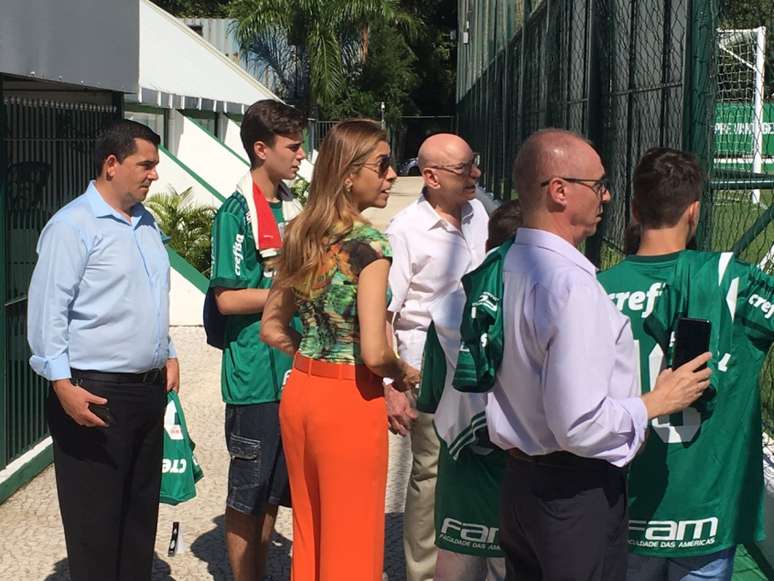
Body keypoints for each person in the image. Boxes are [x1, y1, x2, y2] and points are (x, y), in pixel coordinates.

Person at [488, 128, 712, 580]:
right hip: (573, 493)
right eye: (597, 185)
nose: (606, 196)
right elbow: (579, 425)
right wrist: (656, 402)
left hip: (519, 485)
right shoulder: (571, 287)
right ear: (559, 191)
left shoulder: (502, 265)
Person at [598, 147, 774, 580]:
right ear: (694, 211)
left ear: (635, 210)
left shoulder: (594, 289)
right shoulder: (731, 280)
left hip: (623, 506)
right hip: (704, 513)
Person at [260, 119, 420, 580]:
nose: (391, 175)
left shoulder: (300, 233)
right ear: (349, 175)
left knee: (310, 532)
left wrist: (312, 354)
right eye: (383, 165)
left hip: (303, 394)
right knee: (352, 540)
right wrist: (404, 373)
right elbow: (374, 351)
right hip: (351, 399)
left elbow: (272, 327)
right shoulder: (369, 246)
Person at [27, 119, 179, 581]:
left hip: (147, 394)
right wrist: (62, 386)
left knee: (137, 523)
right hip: (94, 395)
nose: (154, 174)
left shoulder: (147, 224)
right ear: (111, 164)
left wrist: (168, 350)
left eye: (155, 165)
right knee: (95, 529)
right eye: (146, 164)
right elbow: (47, 313)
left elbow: (148, 296)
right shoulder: (72, 226)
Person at [208, 99, 306, 581]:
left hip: (292, 371)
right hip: (253, 376)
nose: (302, 155)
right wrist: (290, 286)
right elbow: (226, 300)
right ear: (261, 149)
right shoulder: (235, 211)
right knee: (247, 494)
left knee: (272, 495)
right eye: (293, 146)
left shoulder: (294, 205)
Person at [385, 133, 489, 581]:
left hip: (481, 367)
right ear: (430, 177)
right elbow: (386, 313)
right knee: (430, 475)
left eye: (474, 163)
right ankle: (424, 573)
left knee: (481, 463)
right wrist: (391, 387)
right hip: (428, 373)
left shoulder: (480, 213)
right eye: (465, 167)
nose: (476, 174)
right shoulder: (405, 231)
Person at [416, 200, 522, 581]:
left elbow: (429, 399)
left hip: (461, 476)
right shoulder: (542, 304)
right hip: (521, 475)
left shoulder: (447, 307)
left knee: (457, 567)